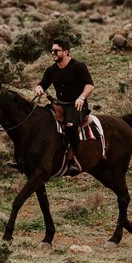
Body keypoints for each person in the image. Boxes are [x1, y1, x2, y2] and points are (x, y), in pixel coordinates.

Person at [35, 38, 94, 176]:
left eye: (56, 50)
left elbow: (89, 85)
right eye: (51, 50)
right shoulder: (51, 70)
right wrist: (38, 88)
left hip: (76, 106)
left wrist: (81, 97)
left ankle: (74, 159)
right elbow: (42, 83)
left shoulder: (78, 66)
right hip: (59, 105)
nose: (52, 53)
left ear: (66, 52)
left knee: (71, 126)